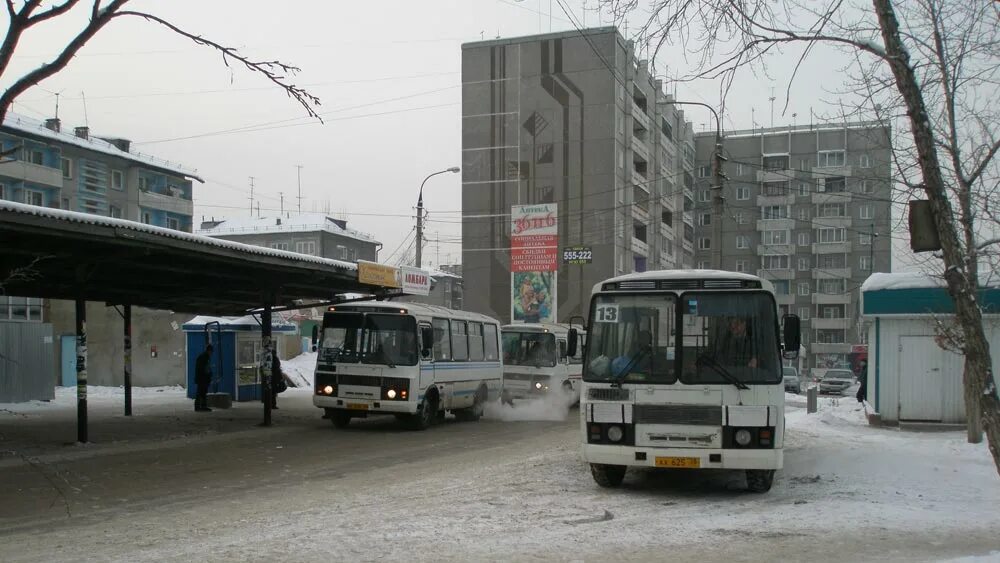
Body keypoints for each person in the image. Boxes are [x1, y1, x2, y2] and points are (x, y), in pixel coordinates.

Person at [194, 344, 213, 412]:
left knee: (202, 393)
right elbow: (204, 369)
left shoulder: (203, 356)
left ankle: (201, 406)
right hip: (202, 379)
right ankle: (200, 407)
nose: (211, 353)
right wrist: (209, 375)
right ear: (209, 351)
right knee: (201, 393)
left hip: (201, 378)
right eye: (211, 351)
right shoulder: (204, 357)